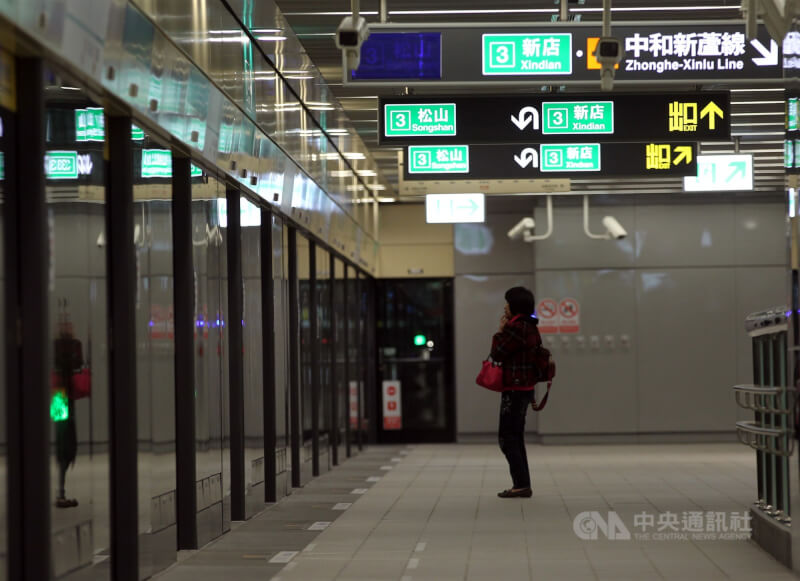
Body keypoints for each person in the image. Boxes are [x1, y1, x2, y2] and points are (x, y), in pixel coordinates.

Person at [490, 286, 542, 499]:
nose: (505, 307)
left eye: (507, 303)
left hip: (514, 389)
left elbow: (497, 354)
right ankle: (522, 483)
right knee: (516, 436)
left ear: (515, 306)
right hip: (525, 388)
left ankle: (521, 484)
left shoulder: (515, 328)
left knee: (507, 438)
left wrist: (500, 331)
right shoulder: (531, 327)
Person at [53, 318, 83, 508]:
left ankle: (61, 489)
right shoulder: (58, 345)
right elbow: (67, 363)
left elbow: (78, 362)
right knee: (63, 438)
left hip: (65, 395)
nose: (67, 326)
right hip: (59, 395)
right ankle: (61, 491)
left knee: (68, 437)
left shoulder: (75, 344)